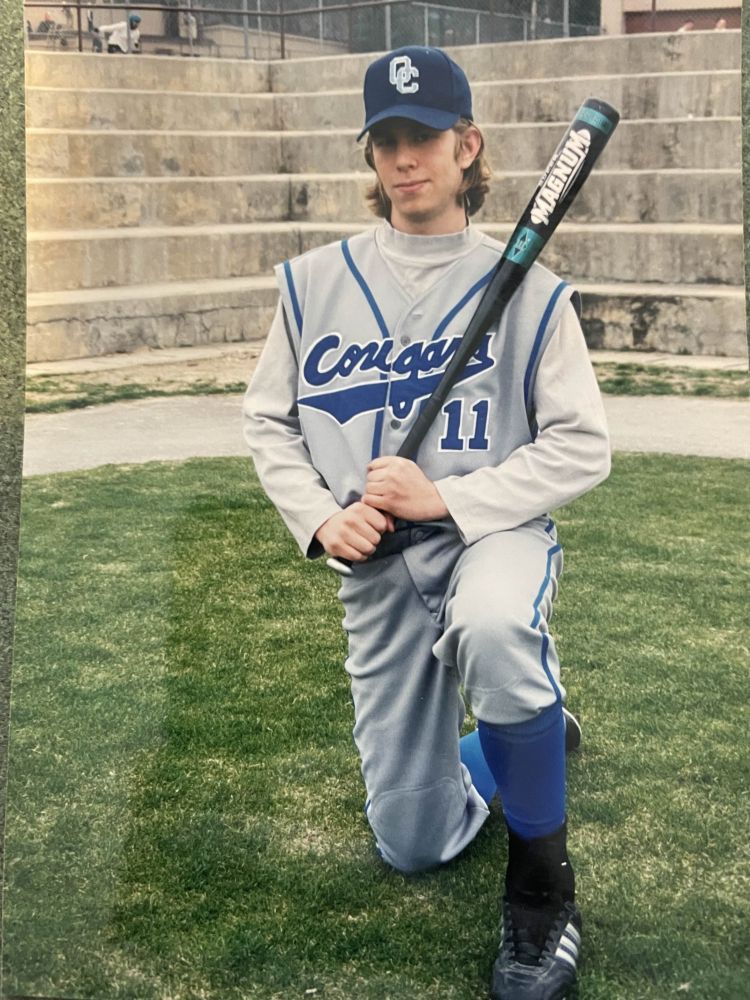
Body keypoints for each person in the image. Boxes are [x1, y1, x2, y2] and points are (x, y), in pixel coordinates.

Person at [244, 45, 610, 1000]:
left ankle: (542, 899)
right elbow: (267, 422)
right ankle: (529, 730)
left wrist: (447, 498)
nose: (407, 158)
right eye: (388, 142)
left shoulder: (530, 290)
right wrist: (323, 521)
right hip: (375, 567)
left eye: (428, 138)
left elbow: (582, 448)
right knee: (412, 842)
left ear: (467, 146)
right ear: (372, 160)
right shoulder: (312, 283)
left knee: (494, 624)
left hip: (491, 538)